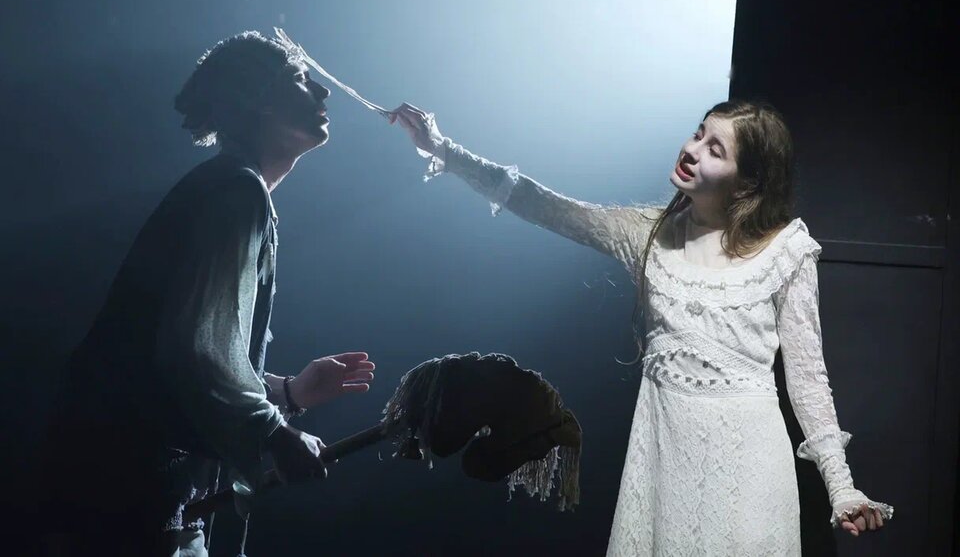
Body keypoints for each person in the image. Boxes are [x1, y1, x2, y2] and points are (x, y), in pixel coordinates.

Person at [388, 100, 893, 555]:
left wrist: (842, 488)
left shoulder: (786, 252)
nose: (692, 149)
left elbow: (808, 379)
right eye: (698, 133)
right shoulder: (646, 233)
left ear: (747, 183)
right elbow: (546, 206)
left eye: (715, 149)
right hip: (664, 464)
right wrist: (445, 150)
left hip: (751, 472)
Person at [39, 31, 375, 556]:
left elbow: (193, 343)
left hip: (117, 478)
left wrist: (289, 392)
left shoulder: (229, 186)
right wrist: (276, 433)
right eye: (298, 79)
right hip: (123, 488)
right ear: (260, 100)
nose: (323, 92)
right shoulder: (238, 192)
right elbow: (194, 350)